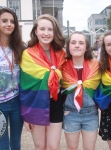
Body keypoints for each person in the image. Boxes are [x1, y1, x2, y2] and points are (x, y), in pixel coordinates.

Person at [19, 14, 66, 150]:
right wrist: (26, 115)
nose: (46, 33)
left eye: (50, 29)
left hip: (55, 103)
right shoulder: (27, 54)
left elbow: (66, 79)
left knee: (53, 146)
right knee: (40, 146)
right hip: (35, 104)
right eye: (42, 29)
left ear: (54, 32)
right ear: (36, 31)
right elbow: (25, 87)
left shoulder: (61, 54)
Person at [61, 31, 101, 150]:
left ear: (86, 47)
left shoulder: (97, 65)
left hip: (91, 114)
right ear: (68, 47)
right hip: (70, 113)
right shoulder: (62, 66)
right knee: (72, 148)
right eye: (73, 42)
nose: (77, 45)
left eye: (81, 43)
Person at [0, 7, 24, 150]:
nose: (9, 24)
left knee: (15, 143)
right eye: (4, 21)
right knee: (2, 145)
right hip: (0, 104)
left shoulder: (21, 48)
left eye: (12, 21)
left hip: (17, 102)